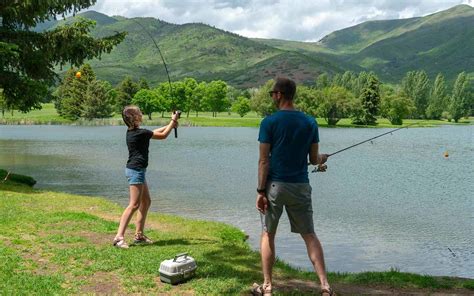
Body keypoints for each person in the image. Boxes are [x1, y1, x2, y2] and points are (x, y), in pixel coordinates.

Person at [252, 77, 332, 295]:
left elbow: (263, 160)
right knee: (309, 234)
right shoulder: (309, 122)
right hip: (300, 187)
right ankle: (325, 286)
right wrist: (322, 158)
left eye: (272, 94)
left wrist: (260, 191)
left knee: (268, 233)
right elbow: (314, 158)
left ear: (279, 95)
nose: (272, 98)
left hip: (275, 186)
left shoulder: (269, 122)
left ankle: (267, 287)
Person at [113, 105, 179, 248]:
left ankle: (139, 235)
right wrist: (172, 123)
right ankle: (119, 237)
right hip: (135, 171)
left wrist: (170, 124)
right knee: (134, 204)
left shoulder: (134, 132)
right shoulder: (139, 133)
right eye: (139, 113)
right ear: (134, 118)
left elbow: (153, 132)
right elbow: (161, 136)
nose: (141, 114)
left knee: (146, 201)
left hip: (137, 170)